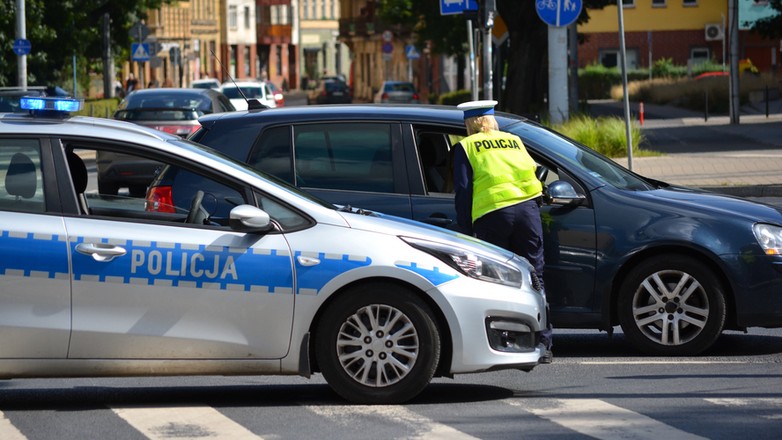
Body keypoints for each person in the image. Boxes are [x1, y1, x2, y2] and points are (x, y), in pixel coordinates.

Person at [452, 99, 552, 363]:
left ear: (470, 123)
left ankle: (507, 341)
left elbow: (463, 190)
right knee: (535, 276)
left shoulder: (466, 146)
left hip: (493, 215)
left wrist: (464, 230)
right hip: (527, 211)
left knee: (498, 279)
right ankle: (544, 344)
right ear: (492, 120)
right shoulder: (513, 140)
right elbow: (533, 172)